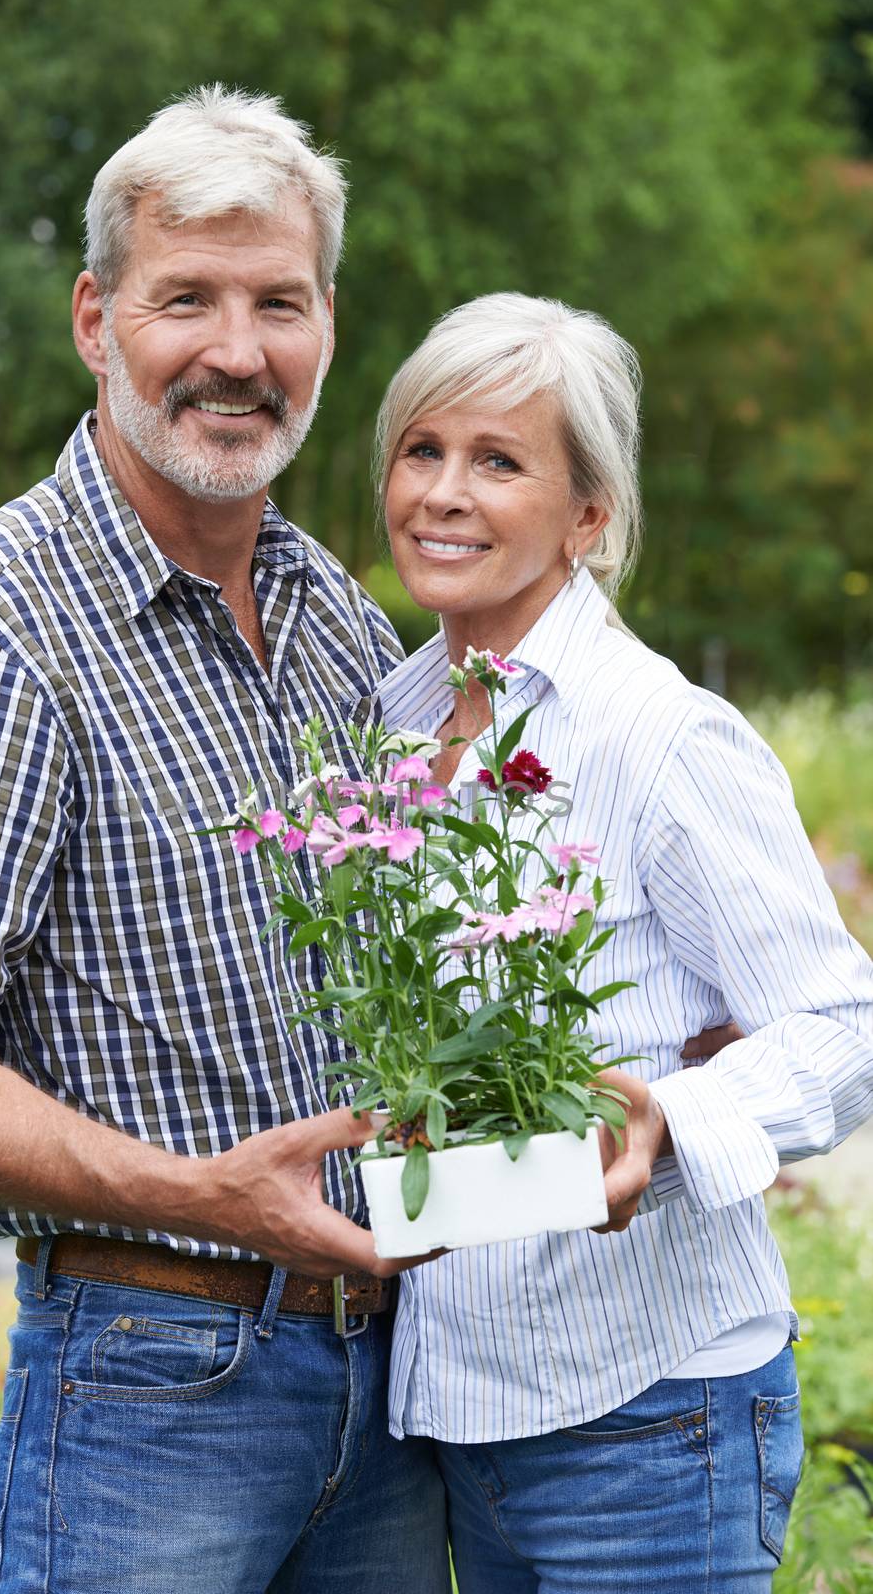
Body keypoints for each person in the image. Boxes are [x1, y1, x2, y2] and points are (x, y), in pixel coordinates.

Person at [0, 86, 449, 1594]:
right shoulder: (1, 628)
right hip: (154, 1388)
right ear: (97, 320)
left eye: (277, 302)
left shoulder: (339, 621)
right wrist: (197, 1198)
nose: (237, 352)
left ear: (328, 328)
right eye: (188, 300)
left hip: (400, 1394)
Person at [373, 292, 873, 1591]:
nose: (443, 493)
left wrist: (668, 1121)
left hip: (651, 1417)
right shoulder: (391, 724)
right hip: (468, 1411)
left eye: (499, 461)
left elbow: (844, 1023)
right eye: (421, 451)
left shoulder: (660, 734)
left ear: (590, 518)